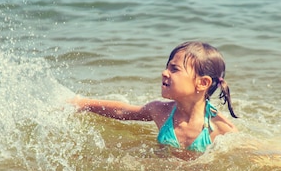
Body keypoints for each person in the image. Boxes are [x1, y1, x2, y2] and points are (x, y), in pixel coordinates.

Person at [68, 41, 238, 160]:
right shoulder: (161, 111)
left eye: (174, 69)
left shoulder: (220, 129)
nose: (164, 73)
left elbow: (245, 152)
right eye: (167, 67)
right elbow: (123, 111)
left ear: (202, 83)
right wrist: (83, 104)